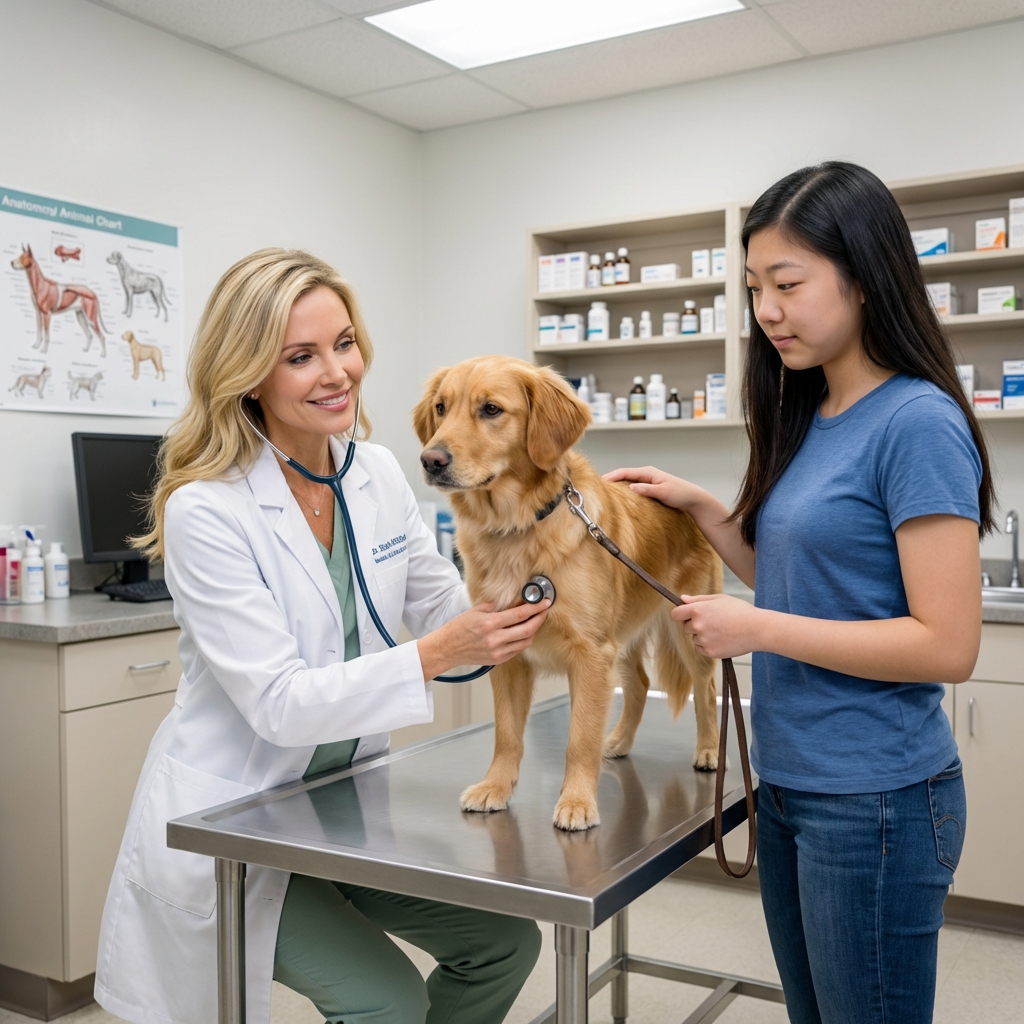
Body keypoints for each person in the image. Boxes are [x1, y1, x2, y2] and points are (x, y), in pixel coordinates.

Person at [94, 248, 547, 1024]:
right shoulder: (208, 510)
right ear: (248, 375)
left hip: (338, 807)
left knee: (507, 945)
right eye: (300, 357)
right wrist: (443, 652)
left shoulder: (374, 473)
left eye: (344, 342)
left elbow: (444, 606)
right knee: (387, 1001)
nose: (338, 371)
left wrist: (543, 563)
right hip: (237, 824)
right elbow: (280, 706)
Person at [608, 162, 992, 1024]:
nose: (765, 311)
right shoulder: (809, 413)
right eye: (753, 288)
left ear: (864, 278)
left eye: (787, 284)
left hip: (876, 801)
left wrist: (760, 631)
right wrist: (706, 510)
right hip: (786, 787)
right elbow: (802, 582)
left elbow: (947, 644)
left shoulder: (916, 422)